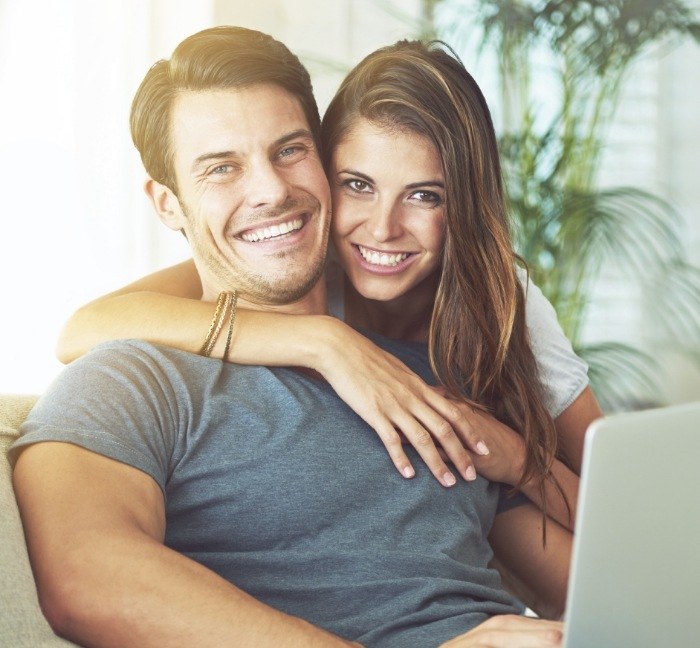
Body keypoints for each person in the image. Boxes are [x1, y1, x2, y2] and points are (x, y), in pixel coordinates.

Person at [10, 26, 572, 647]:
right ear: (168, 204)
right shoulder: (131, 380)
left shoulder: (427, 368)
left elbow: (604, 579)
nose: (272, 190)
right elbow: (86, 579)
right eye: (222, 167)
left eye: (289, 150)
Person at [57, 35, 600, 527]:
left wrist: (518, 459)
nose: (383, 230)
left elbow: (618, 515)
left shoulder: (502, 301)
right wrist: (326, 342)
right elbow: (84, 328)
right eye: (358, 184)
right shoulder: (300, 260)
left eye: (424, 195)